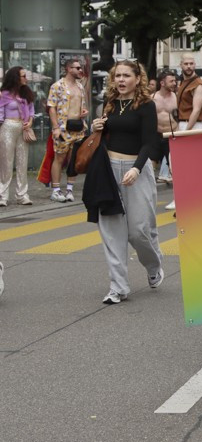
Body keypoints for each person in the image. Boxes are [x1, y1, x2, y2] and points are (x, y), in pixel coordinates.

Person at [89, 60, 165, 305]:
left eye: (126, 76)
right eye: (117, 76)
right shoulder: (109, 105)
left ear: (137, 79)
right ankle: (118, 287)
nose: (121, 80)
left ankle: (153, 266)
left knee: (139, 231)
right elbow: (105, 136)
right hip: (108, 169)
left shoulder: (146, 105)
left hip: (137, 170)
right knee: (112, 232)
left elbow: (150, 142)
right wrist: (96, 127)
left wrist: (136, 168)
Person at [47, 56, 88, 202]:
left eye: (80, 68)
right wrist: (55, 127)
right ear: (68, 69)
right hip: (63, 128)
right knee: (59, 158)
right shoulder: (58, 86)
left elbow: (81, 106)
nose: (80, 70)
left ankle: (69, 189)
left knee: (74, 159)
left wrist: (84, 112)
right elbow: (51, 107)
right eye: (77, 68)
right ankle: (56, 190)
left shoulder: (80, 86)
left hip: (78, 127)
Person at [0, 66, 37, 206]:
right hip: (7, 127)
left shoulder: (26, 93)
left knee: (22, 162)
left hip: (23, 127)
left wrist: (30, 122)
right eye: (23, 76)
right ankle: (2, 195)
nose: (26, 78)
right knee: (6, 163)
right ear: (16, 77)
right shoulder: (4, 94)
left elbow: (32, 111)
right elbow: (0, 114)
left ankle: (22, 195)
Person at [152, 70, 179, 185]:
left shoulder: (177, 97)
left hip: (172, 135)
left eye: (175, 81)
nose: (174, 83)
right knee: (150, 165)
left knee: (175, 168)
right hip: (156, 135)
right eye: (171, 81)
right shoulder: (152, 98)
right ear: (162, 83)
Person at [177, 55, 202, 132]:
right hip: (184, 124)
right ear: (180, 65)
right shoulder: (183, 82)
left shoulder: (198, 84)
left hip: (194, 125)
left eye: (191, 64)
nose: (189, 66)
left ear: (195, 65)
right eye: (186, 64)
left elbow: (196, 110)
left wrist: (186, 131)